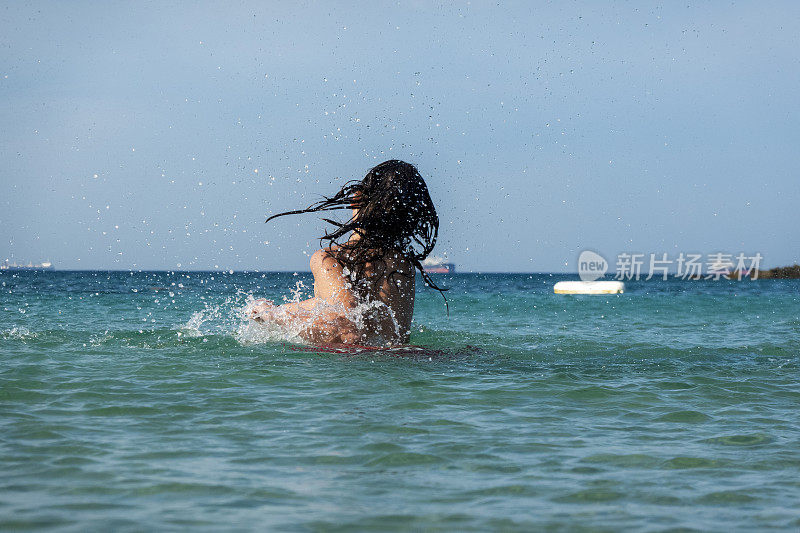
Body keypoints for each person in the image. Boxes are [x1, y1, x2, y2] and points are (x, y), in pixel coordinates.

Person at [247, 160, 446, 346]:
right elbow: (357, 314)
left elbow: (348, 328)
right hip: (401, 372)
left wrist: (271, 317)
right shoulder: (402, 264)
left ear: (356, 198)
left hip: (355, 372)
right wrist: (278, 310)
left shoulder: (330, 259)